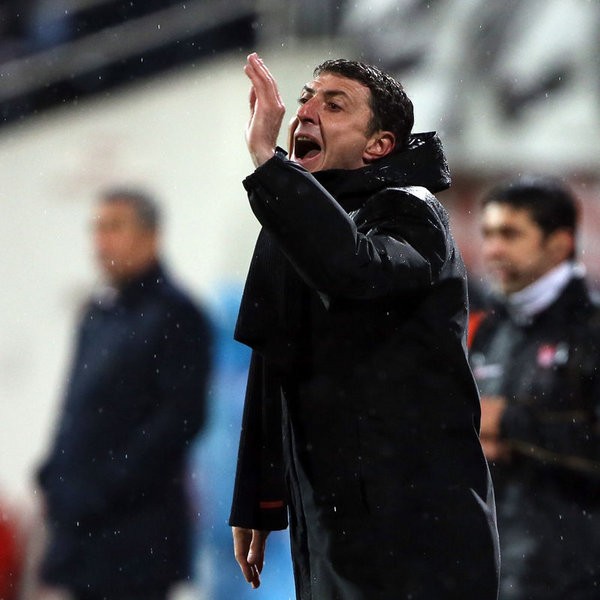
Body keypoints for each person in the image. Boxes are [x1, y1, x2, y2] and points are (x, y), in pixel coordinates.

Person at [229, 52, 499, 600]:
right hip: (332, 520)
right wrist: (257, 498)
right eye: (306, 98)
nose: (305, 112)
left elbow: (356, 271)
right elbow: (273, 357)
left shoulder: (410, 210)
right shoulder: (296, 222)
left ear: (379, 145)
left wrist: (268, 163)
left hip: (419, 528)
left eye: (335, 105)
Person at [36, 188, 213, 600]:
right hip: (84, 536)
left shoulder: (176, 315)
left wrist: (104, 486)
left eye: (114, 227)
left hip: (137, 539)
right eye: (97, 229)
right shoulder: (98, 314)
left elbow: (180, 419)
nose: (101, 242)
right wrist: (54, 474)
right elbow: (76, 408)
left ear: (151, 236)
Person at [469, 175, 600, 599]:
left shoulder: (591, 330)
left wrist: (509, 423)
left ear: (559, 243)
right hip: (500, 572)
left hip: (579, 577)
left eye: (510, 234)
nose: (492, 249)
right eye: (488, 234)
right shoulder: (490, 329)